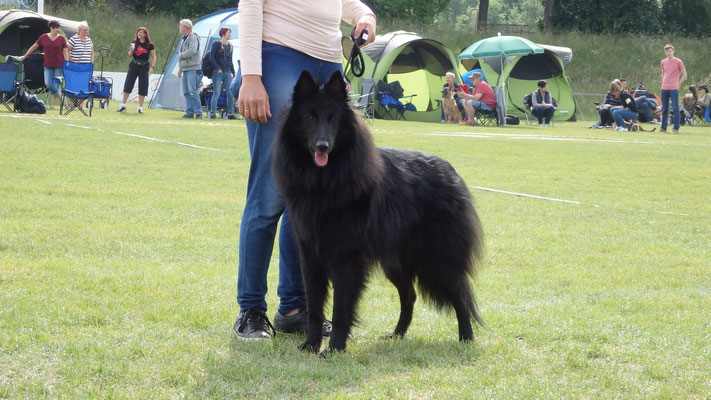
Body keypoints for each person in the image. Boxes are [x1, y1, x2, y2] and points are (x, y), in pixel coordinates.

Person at [234, 0, 376, 339]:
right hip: (279, 56)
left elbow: (345, 3)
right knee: (269, 197)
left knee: (308, 201)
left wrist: (364, 17)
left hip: (328, 62)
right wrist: (252, 76)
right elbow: (250, 6)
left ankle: (295, 308)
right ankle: (251, 309)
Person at [19, 20, 68, 110]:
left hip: (59, 65)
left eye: (59, 28)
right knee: (48, 84)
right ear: (51, 28)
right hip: (47, 65)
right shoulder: (43, 37)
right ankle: (63, 100)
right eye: (56, 28)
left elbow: (65, 51)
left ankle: (53, 106)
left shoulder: (61, 39)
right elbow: (34, 47)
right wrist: (25, 56)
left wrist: (67, 62)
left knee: (55, 85)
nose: (58, 29)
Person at [117, 27, 156, 114]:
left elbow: (154, 56)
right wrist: (131, 50)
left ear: (145, 34)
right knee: (128, 83)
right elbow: (129, 55)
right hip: (134, 65)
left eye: (141, 33)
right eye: (138, 32)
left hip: (144, 66)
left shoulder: (150, 45)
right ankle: (123, 105)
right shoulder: (134, 42)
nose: (139, 34)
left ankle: (140, 107)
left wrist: (152, 67)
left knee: (143, 85)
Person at [208, 27, 237, 120]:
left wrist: (233, 72)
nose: (230, 35)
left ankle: (230, 113)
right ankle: (212, 113)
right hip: (218, 73)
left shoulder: (230, 46)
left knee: (230, 93)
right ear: (223, 34)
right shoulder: (216, 44)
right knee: (216, 92)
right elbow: (211, 57)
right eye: (229, 33)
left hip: (227, 72)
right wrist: (217, 68)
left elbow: (230, 60)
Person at [177, 19, 202, 119]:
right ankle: (189, 112)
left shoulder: (193, 37)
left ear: (186, 27)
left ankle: (198, 112)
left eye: (180, 25)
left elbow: (192, 50)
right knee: (186, 92)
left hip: (193, 68)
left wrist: (181, 56)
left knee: (192, 91)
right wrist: (180, 69)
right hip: (186, 68)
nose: (179, 27)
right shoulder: (184, 38)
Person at [659, 44, 687, 133]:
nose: (668, 53)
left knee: (675, 108)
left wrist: (678, 84)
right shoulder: (663, 62)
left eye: (670, 51)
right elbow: (663, 73)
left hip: (674, 88)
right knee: (664, 108)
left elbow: (685, 74)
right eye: (667, 51)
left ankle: (676, 128)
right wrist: (663, 82)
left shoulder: (678, 61)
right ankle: (663, 127)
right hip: (664, 88)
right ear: (665, 52)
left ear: (673, 51)